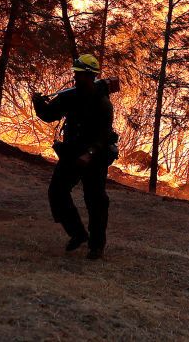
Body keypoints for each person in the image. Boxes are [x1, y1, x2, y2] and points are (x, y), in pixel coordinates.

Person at [32, 54, 116, 260]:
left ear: (91, 76)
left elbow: (103, 135)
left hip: (95, 158)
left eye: (80, 74)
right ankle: (78, 233)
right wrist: (38, 103)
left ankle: (96, 246)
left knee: (95, 200)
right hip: (72, 153)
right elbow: (49, 114)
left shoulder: (103, 103)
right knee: (57, 192)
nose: (76, 77)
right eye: (76, 73)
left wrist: (90, 154)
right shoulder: (70, 96)